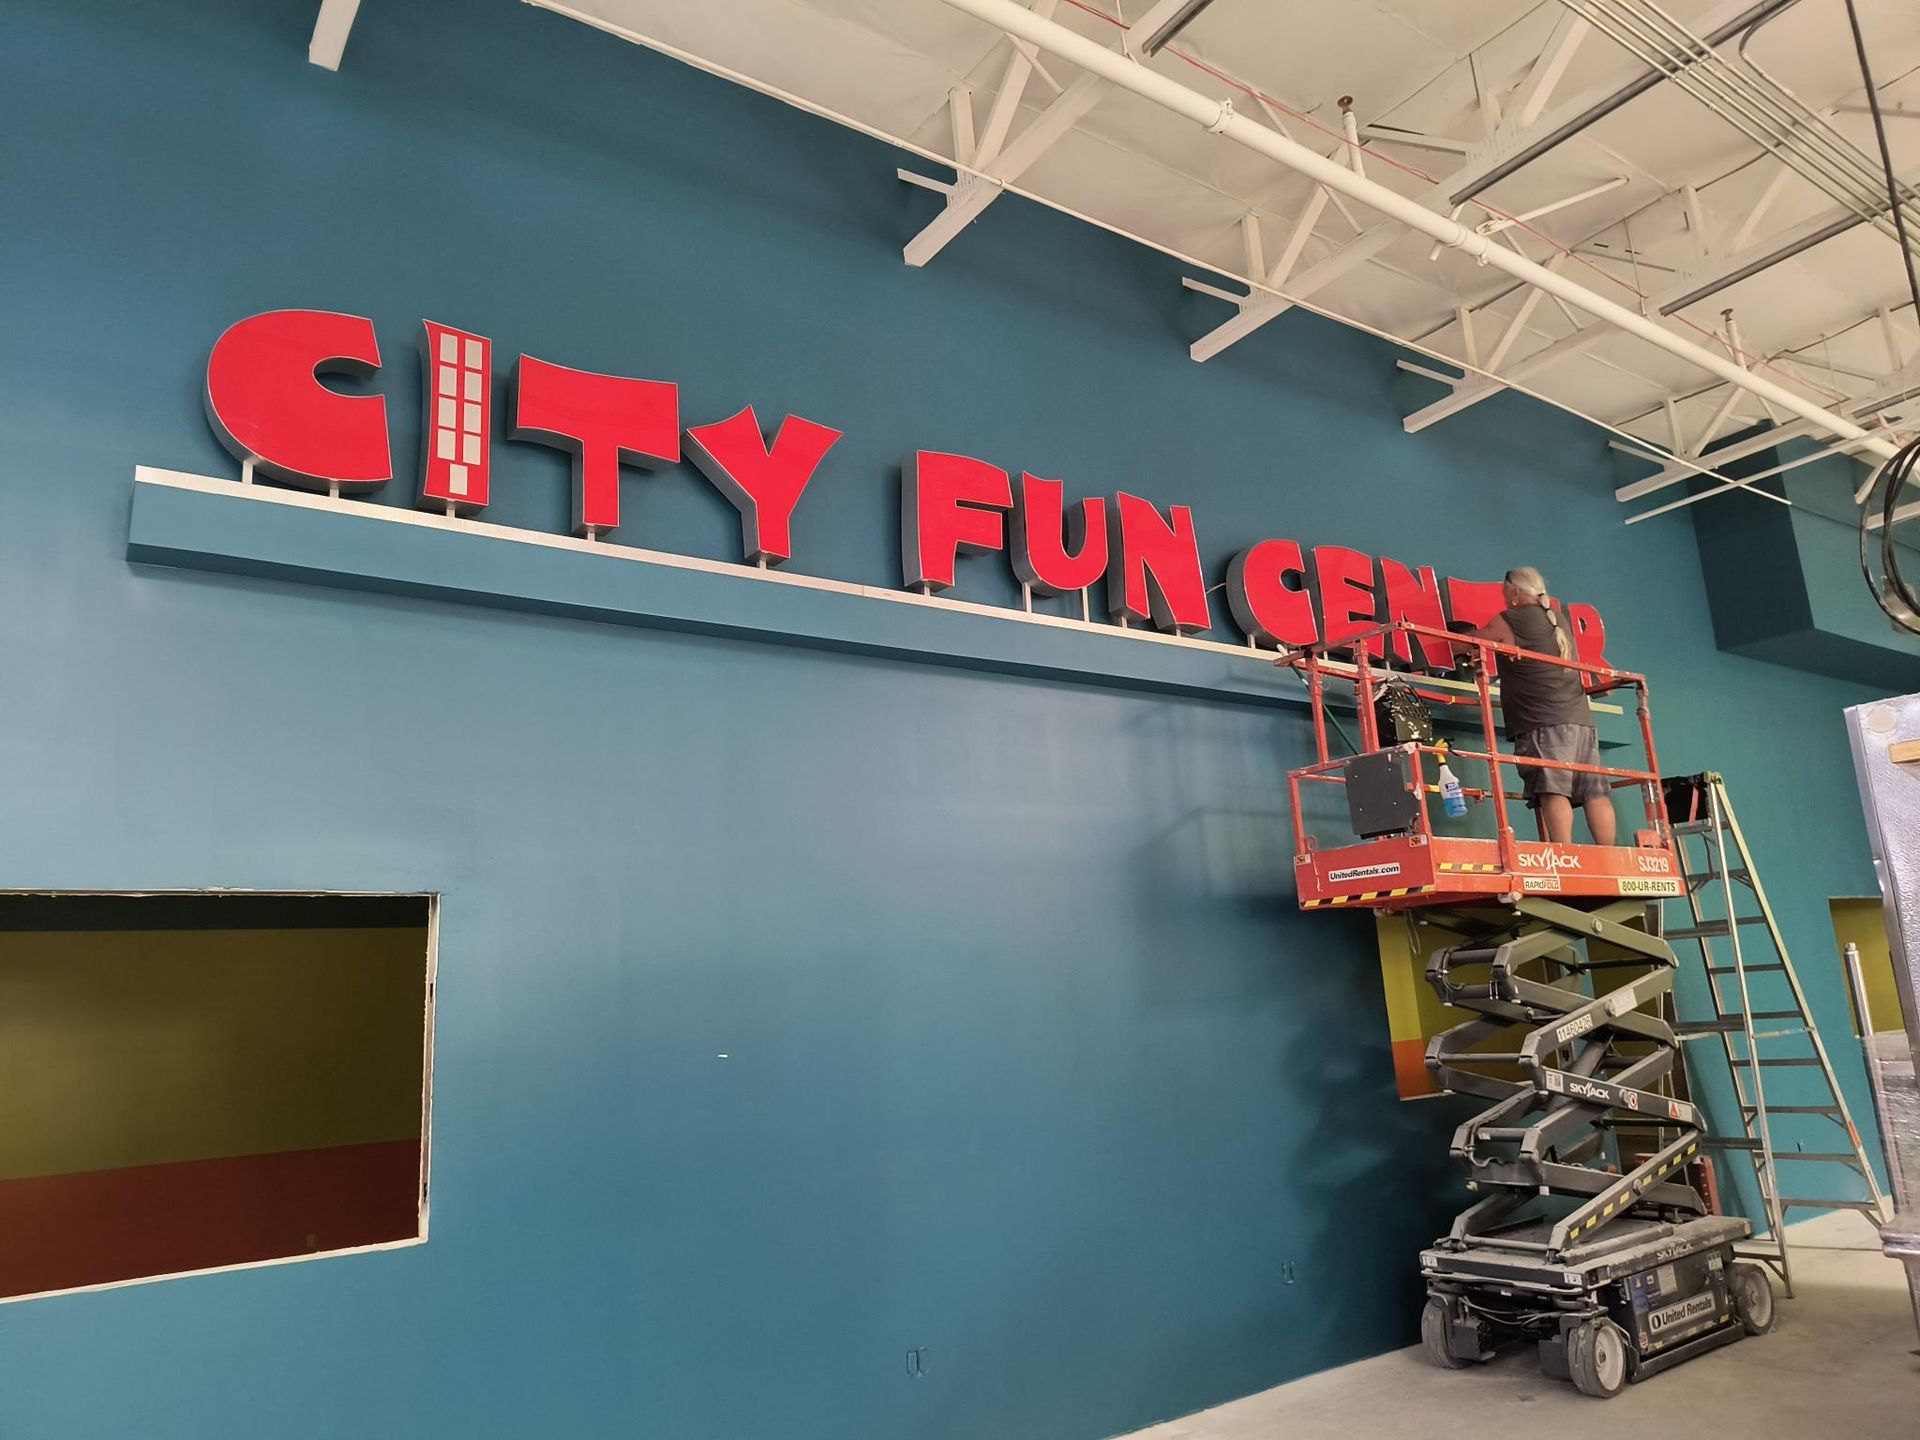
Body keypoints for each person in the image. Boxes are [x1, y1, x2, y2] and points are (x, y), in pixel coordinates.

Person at [1472, 567, 1615, 846]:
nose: (1504, 598)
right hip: (1581, 719)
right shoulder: (1557, 619)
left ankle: (1564, 855)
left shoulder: (1511, 619)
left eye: (1504, 593)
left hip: (1543, 721)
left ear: (1514, 592)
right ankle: (1609, 857)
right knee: (1593, 791)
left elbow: (1478, 640)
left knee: (1553, 790)